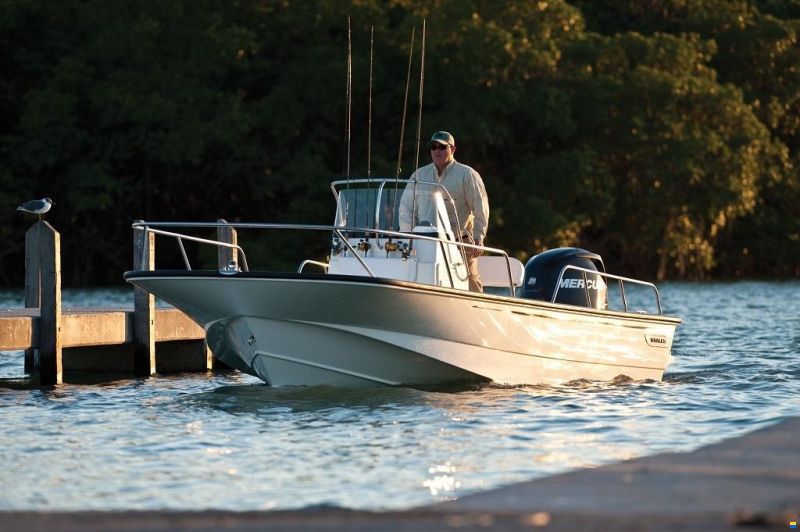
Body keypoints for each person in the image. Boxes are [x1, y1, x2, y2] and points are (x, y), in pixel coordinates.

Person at [404, 131, 490, 292]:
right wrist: (406, 236)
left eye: (442, 147)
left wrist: (479, 238)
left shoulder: (467, 174)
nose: (437, 150)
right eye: (433, 146)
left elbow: (480, 207)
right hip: (424, 242)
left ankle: (476, 313)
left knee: (470, 284)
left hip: (460, 243)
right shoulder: (419, 174)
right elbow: (406, 208)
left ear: (453, 149)